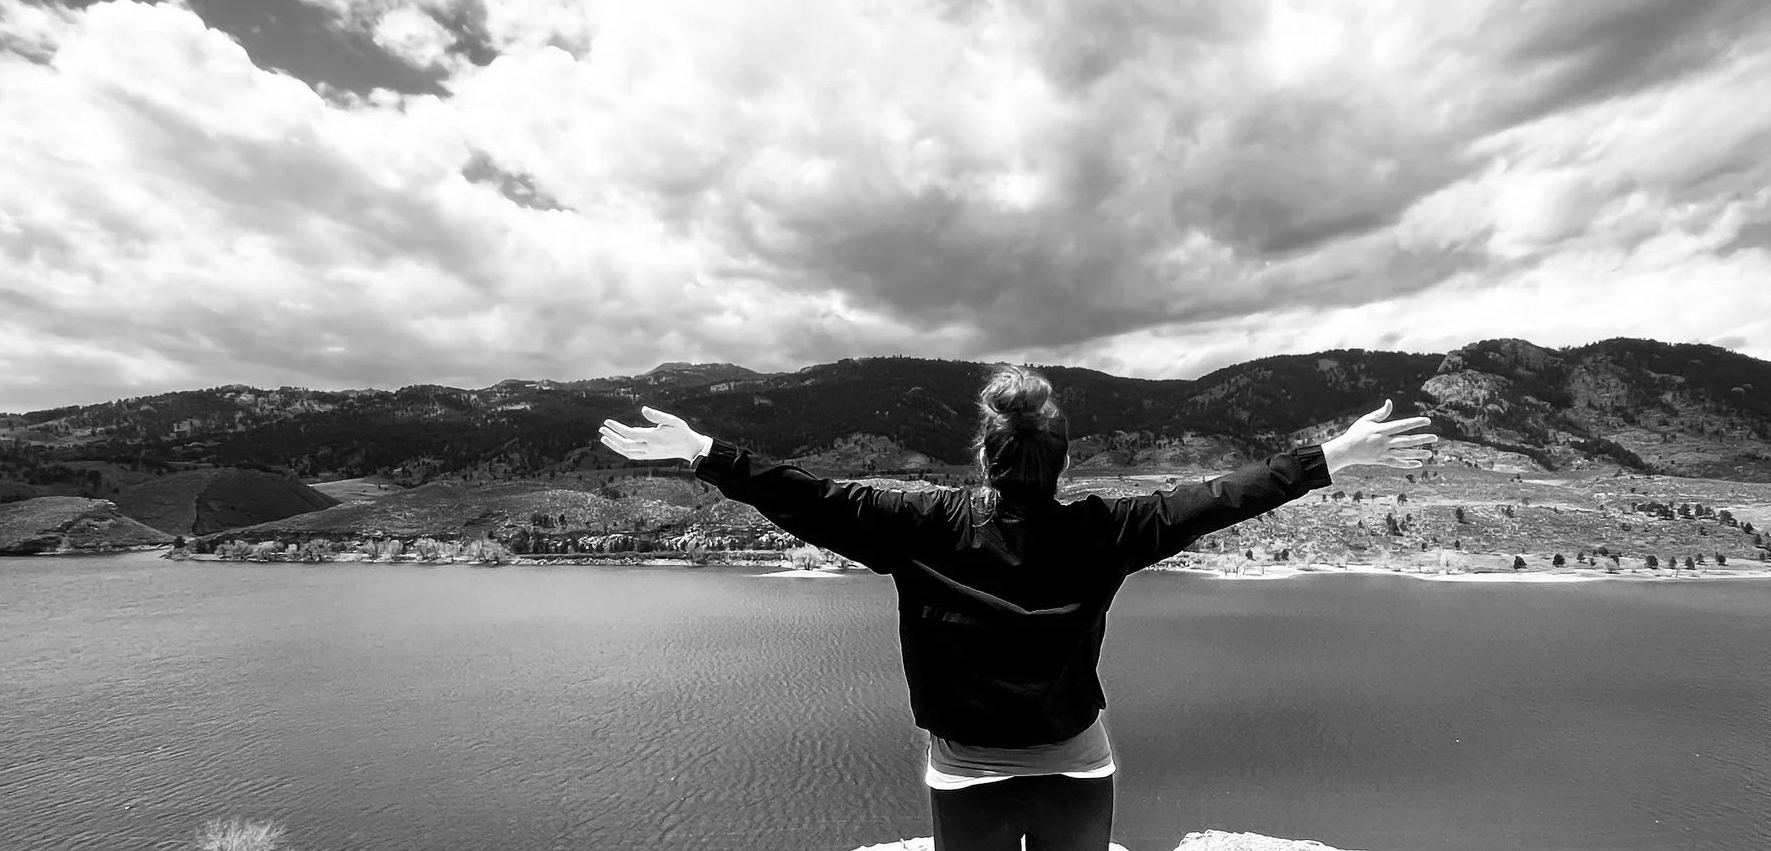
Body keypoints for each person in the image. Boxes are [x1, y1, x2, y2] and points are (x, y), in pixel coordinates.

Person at [597, 364, 1436, 851]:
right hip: (1078, 764)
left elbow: (810, 498)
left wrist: (707, 453)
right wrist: (1330, 456)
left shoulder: (921, 525)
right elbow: (1220, 497)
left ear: (985, 455)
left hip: (966, 770)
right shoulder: (1112, 528)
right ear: (1063, 461)